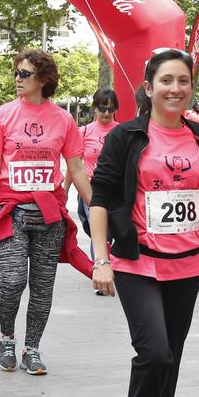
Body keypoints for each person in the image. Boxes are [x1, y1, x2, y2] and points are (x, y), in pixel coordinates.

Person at [88, 49, 199, 397]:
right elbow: (101, 199)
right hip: (137, 263)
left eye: (183, 80)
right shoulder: (126, 137)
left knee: (173, 358)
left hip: (187, 264)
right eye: (166, 80)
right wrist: (101, 260)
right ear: (149, 88)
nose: (175, 89)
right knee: (155, 353)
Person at [0, 49, 93, 376]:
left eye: (24, 74)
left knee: (43, 287)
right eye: (16, 72)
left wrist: (97, 210)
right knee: (13, 280)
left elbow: (77, 169)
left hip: (49, 213)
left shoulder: (63, 119)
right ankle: (7, 339)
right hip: (10, 210)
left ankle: (32, 348)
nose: (17, 79)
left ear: (43, 79)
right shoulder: (2, 115)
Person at [71, 88, 119, 265]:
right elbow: (73, 164)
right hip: (91, 189)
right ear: (94, 108)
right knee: (98, 230)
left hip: (115, 189)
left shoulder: (122, 132)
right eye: (102, 108)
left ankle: (111, 263)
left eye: (111, 109)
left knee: (113, 230)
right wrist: (64, 189)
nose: (106, 113)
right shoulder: (84, 132)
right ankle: (100, 266)